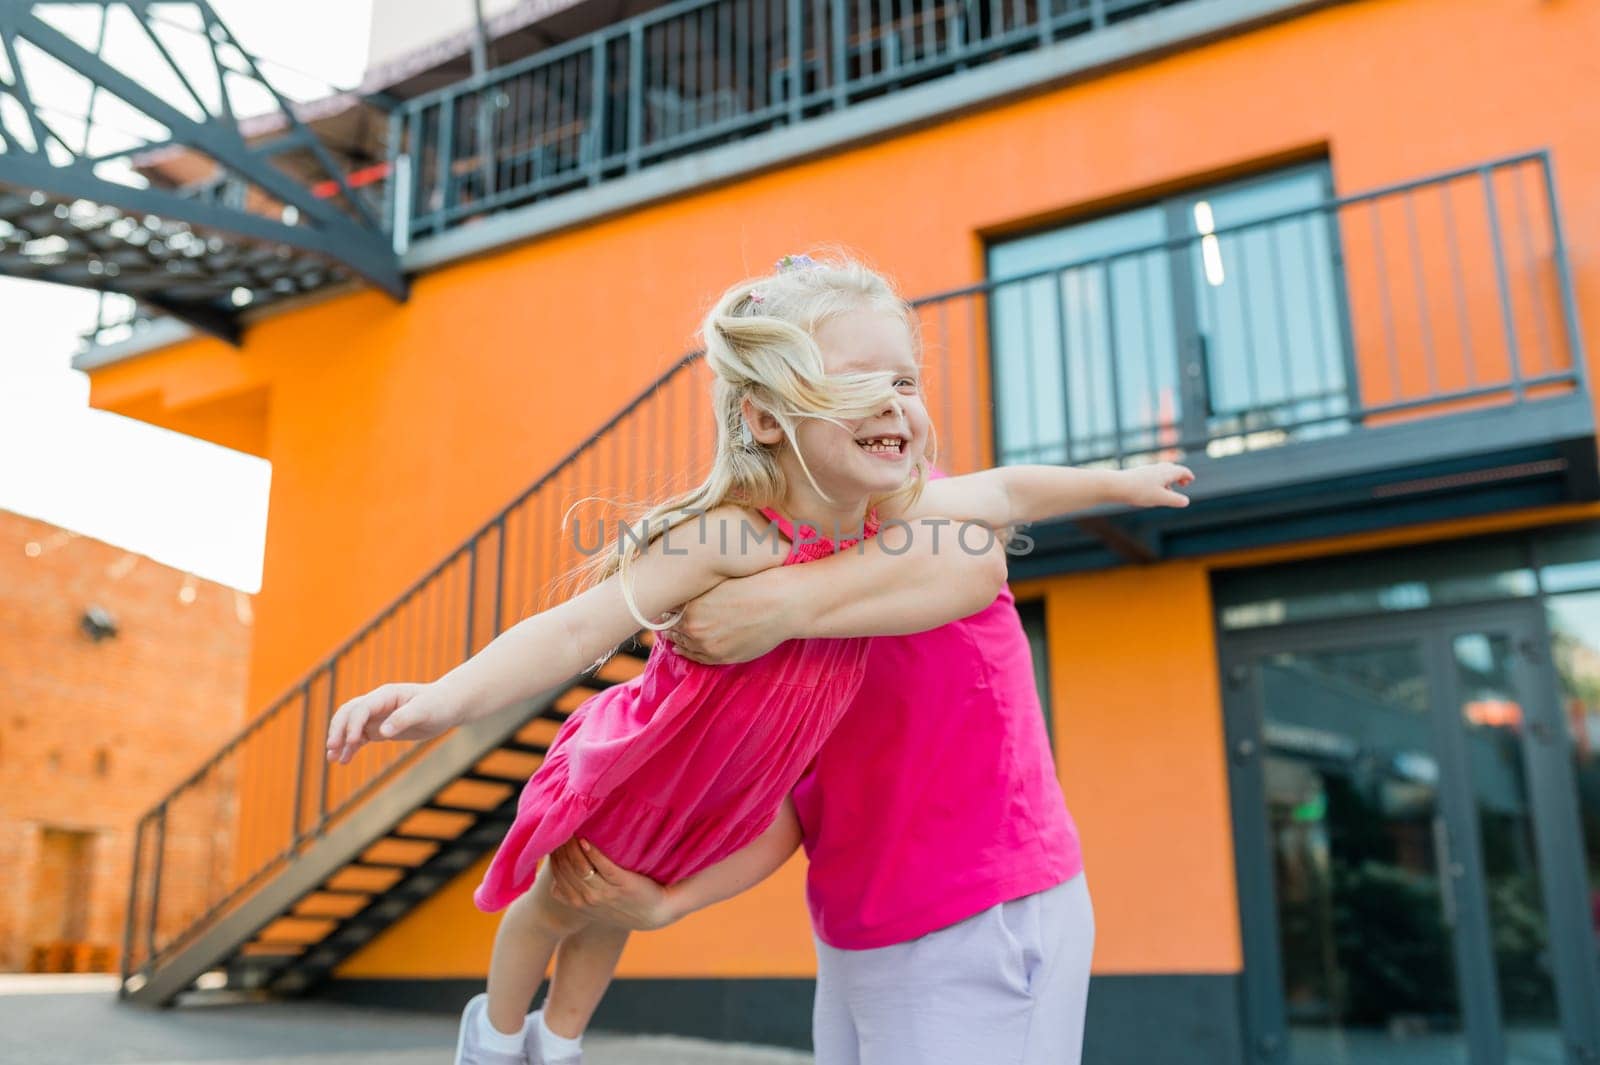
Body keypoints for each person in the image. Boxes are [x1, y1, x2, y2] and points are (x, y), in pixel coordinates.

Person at [325, 251, 1193, 1065]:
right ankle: (510, 1036)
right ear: (768, 416)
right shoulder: (739, 536)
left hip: (984, 918)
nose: (895, 401)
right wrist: (439, 699)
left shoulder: (924, 524)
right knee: (573, 901)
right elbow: (577, 631)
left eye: (906, 380)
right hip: (858, 926)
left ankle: (542, 1037)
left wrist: (1118, 482)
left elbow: (1001, 508)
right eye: (856, 380)